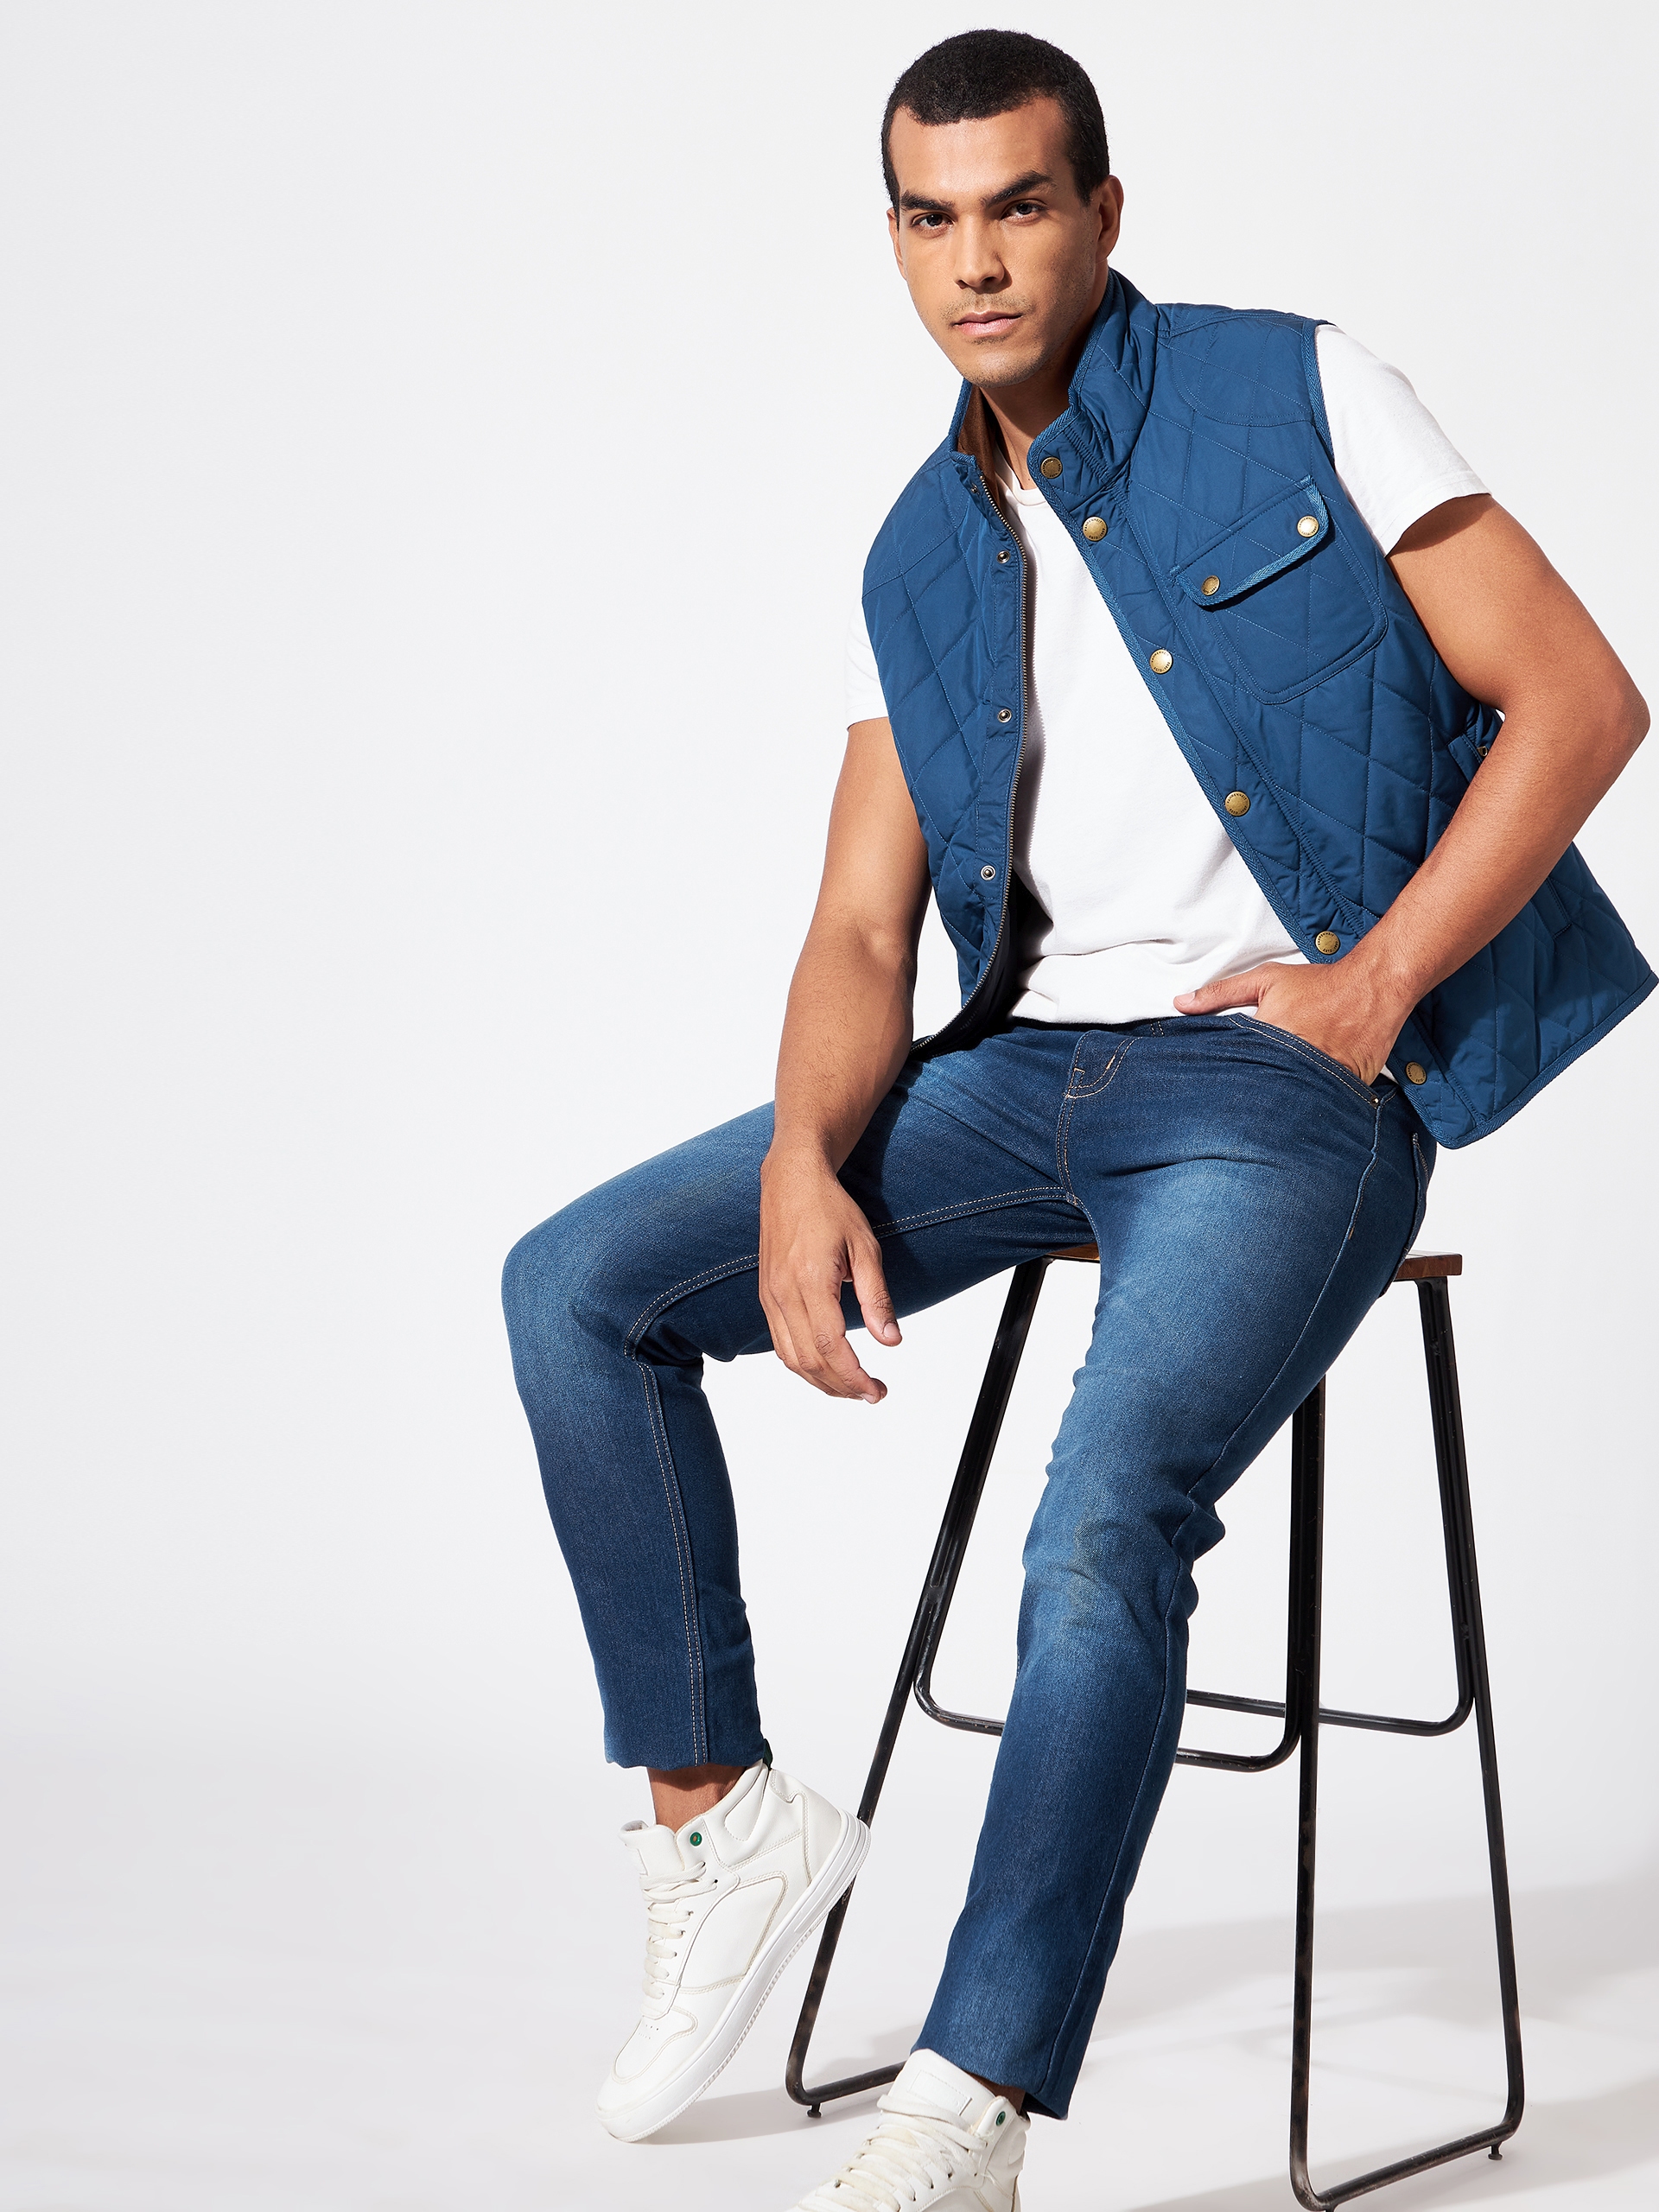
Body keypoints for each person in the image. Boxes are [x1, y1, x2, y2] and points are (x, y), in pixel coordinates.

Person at [502, 29, 1649, 2209]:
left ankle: (972, 2101)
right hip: (1025, 1073)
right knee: (573, 1287)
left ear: (1103, 212)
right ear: (894, 241)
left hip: (1278, 1089)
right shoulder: (916, 553)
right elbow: (863, 926)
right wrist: (801, 1160)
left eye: (1019, 206)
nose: (978, 262)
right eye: (932, 220)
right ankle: (721, 1818)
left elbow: (1582, 698)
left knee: (1103, 1516)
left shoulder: (1294, 389)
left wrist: (1370, 989)